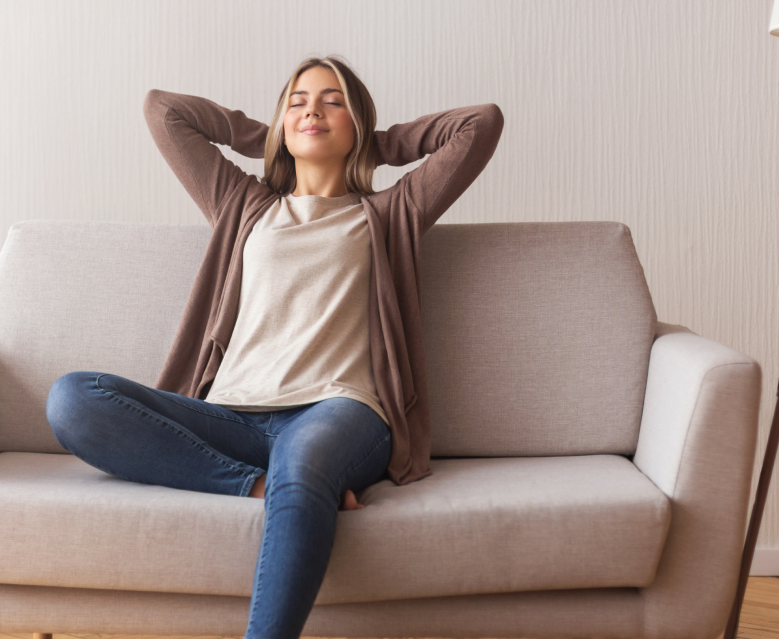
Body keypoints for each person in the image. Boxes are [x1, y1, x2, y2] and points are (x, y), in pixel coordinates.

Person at [45, 55, 503, 639]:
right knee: (74, 398)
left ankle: (291, 493)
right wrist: (275, 138)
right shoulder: (243, 205)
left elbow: (480, 124)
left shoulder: (390, 213)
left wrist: (375, 142)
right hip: (232, 416)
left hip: (339, 411)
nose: (312, 108)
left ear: (357, 122)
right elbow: (165, 111)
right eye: (298, 100)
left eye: (332, 100)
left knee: (305, 458)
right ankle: (257, 483)